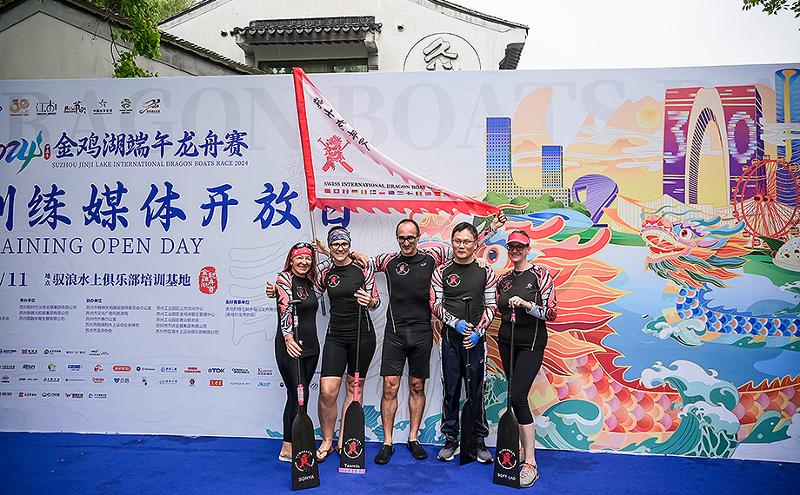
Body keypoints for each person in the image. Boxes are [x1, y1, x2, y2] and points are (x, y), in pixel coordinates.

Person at [349, 214, 505, 465]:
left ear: (418, 237)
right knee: (394, 387)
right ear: (397, 238)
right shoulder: (389, 260)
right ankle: (390, 442)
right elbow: (364, 262)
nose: (406, 242)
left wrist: (492, 229)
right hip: (397, 333)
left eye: (411, 237)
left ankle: (423, 439)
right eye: (402, 238)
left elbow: (467, 244)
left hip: (425, 333)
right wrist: (343, 250)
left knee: (427, 387)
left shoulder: (434, 257)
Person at [430, 222, 498, 463]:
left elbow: (492, 305)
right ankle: (451, 439)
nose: (461, 246)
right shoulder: (441, 272)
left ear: (475, 243)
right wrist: (454, 322)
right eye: (457, 241)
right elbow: (434, 303)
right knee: (451, 392)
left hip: (476, 342)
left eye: (466, 241)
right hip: (450, 340)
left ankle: (478, 441)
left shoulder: (485, 272)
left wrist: (478, 331)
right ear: (452, 242)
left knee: (476, 392)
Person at [495, 230, 557, 487]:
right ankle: (522, 450)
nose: (515, 250)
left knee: (519, 397)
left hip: (531, 342)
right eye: (511, 246)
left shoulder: (540, 274)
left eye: (520, 246)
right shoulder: (504, 279)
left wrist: (526, 305)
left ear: (528, 249)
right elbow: (496, 308)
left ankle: (530, 463)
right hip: (506, 342)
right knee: (514, 397)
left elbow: (551, 313)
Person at [315, 226, 380, 462]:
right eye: (335, 244)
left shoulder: (363, 268)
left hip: (363, 335)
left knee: (355, 387)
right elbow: (310, 293)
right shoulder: (324, 271)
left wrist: (370, 301)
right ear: (330, 246)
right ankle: (327, 440)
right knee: (327, 390)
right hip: (336, 335)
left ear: (349, 245)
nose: (340, 248)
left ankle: (345, 437)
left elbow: (376, 301)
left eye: (344, 244)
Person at [269, 242, 322, 462]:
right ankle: (288, 447)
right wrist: (288, 338)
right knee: (297, 395)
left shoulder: (312, 282)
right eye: (299, 257)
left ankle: (297, 442)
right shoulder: (284, 279)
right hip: (291, 346)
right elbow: (285, 309)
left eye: (308, 258)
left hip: (311, 347)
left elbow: (334, 266)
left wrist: (325, 251)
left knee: (301, 395)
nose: (304, 262)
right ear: (291, 260)